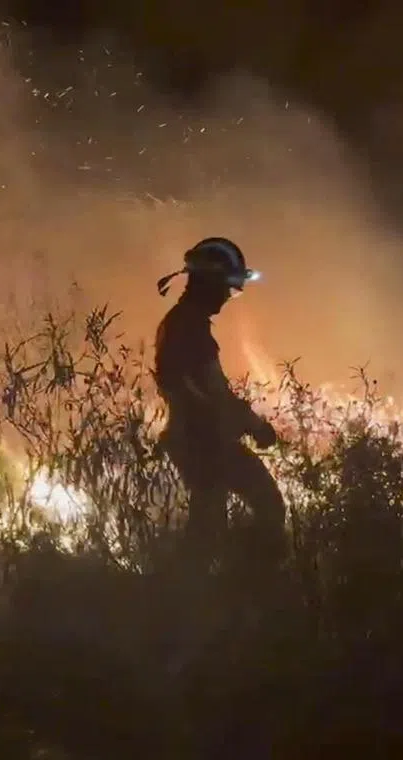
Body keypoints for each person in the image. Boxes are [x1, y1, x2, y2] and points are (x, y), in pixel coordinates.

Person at [153, 237, 286, 565]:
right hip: (202, 440)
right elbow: (214, 393)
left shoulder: (181, 323)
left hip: (196, 438)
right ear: (206, 284)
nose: (228, 296)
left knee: (208, 526)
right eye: (225, 287)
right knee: (266, 506)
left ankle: (204, 586)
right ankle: (240, 584)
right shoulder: (190, 329)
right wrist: (256, 426)